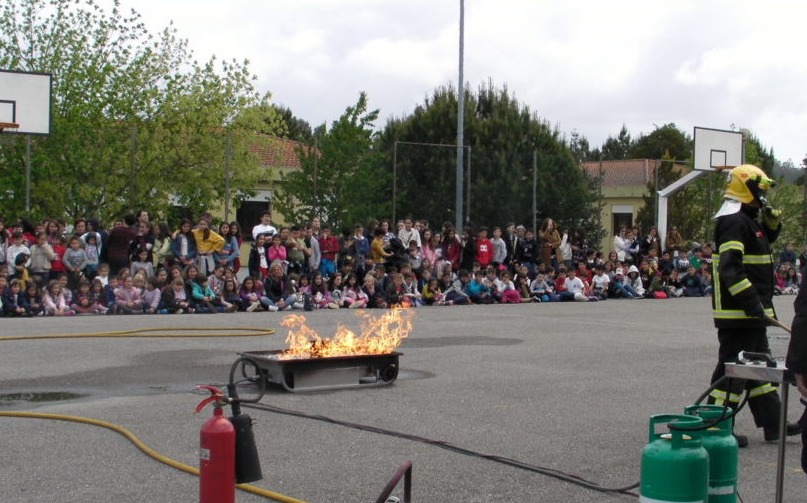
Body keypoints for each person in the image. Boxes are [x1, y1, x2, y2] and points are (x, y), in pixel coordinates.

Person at [707, 164, 801, 447]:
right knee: (733, 370)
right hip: (740, 312)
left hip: (752, 310)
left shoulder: (746, 218)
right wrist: (752, 305)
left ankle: (773, 423)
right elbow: (731, 268)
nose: (763, 194)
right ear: (745, 188)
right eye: (759, 189)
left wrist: (772, 226)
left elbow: (758, 250)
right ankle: (716, 426)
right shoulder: (734, 220)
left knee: (759, 365)